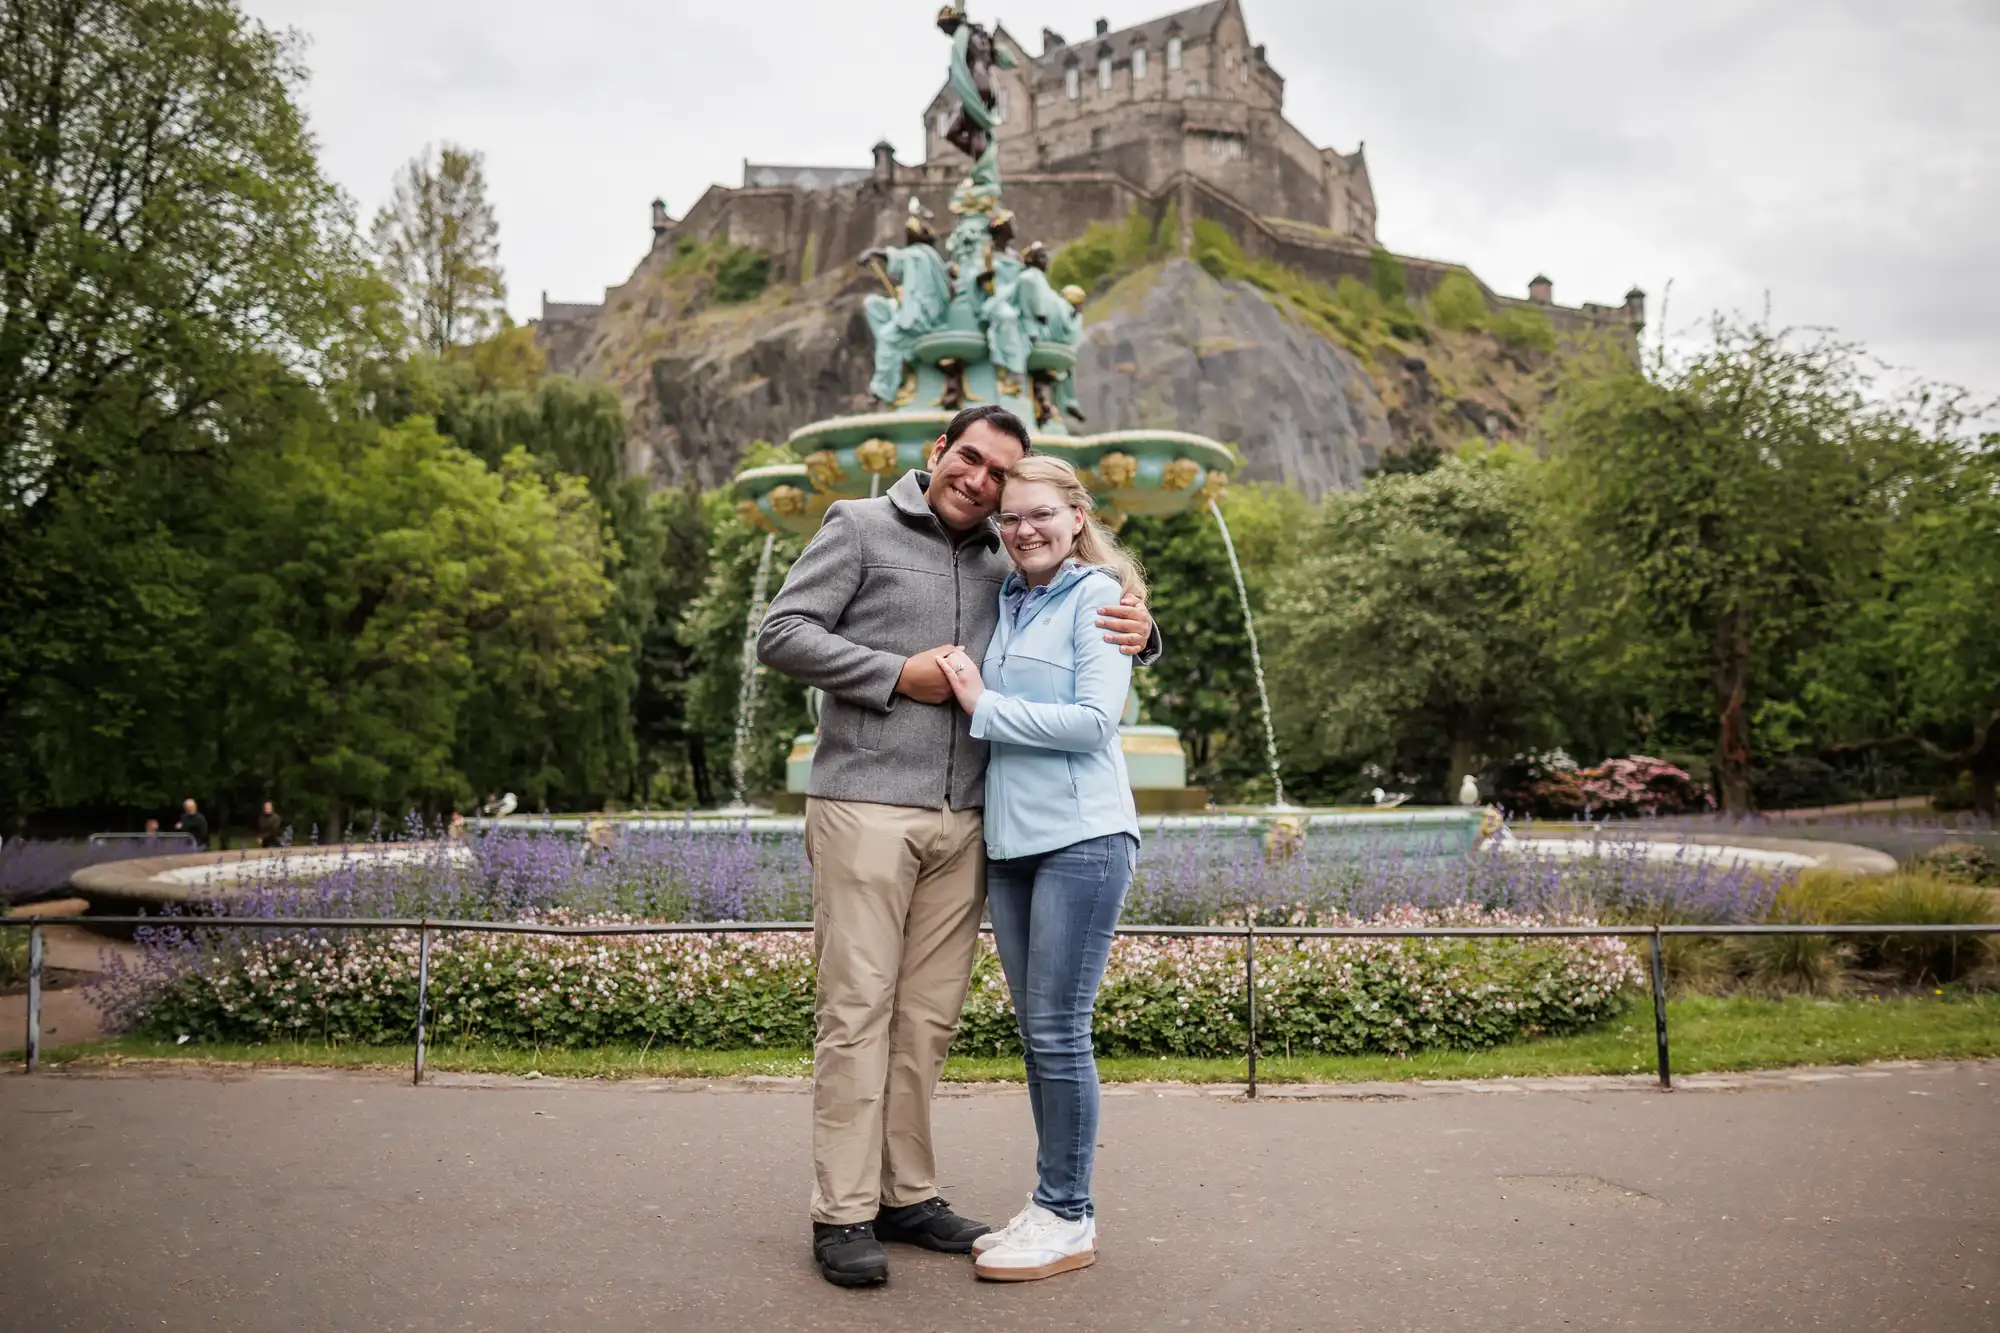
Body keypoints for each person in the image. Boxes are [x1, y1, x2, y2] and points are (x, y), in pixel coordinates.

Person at [755, 404, 1158, 1288]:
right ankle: (845, 1209)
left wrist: (1144, 631)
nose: (981, 483)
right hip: (866, 804)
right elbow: (780, 634)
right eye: (969, 460)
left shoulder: (1003, 558)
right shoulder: (856, 525)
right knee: (857, 1009)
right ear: (937, 453)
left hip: (971, 819)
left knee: (928, 1019)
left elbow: (1082, 607)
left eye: (1000, 477)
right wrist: (896, 675)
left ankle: (907, 1192)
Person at [934, 457, 1141, 1282]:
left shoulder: (1096, 597)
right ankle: (1054, 1198)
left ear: (1076, 516)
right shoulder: (1010, 597)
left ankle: (1068, 1214)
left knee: (1061, 1030)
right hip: (1014, 846)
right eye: (1010, 518)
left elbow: (1096, 720)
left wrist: (982, 704)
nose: (1023, 529)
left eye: (1041, 514)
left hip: (1083, 838)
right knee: (1039, 1035)